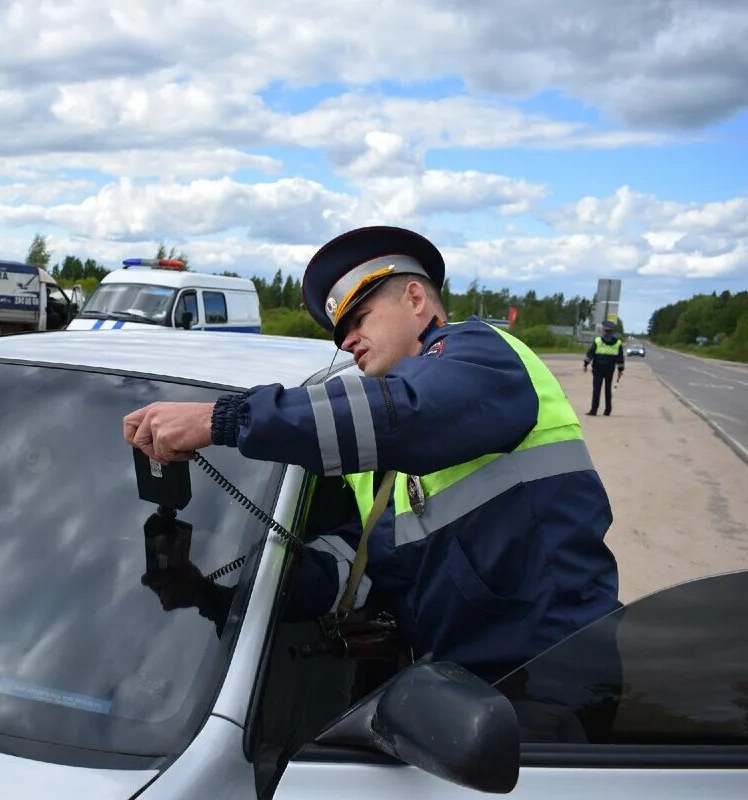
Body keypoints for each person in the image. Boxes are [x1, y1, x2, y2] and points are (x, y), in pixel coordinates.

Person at [123, 226, 620, 682]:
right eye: (340, 335)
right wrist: (208, 595)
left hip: (554, 672)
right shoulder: (379, 462)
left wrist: (218, 420)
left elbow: (409, 413)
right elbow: (351, 576)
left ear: (416, 297)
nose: (348, 341)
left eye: (359, 318)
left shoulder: (481, 355)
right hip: (461, 688)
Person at [584, 321, 625, 416]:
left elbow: (590, 354)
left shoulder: (598, 341)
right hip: (610, 369)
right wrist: (620, 370)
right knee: (608, 389)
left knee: (596, 389)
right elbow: (620, 358)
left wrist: (585, 364)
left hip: (598, 368)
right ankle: (607, 410)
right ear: (612, 330)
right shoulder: (618, 343)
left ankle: (594, 410)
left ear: (604, 330)